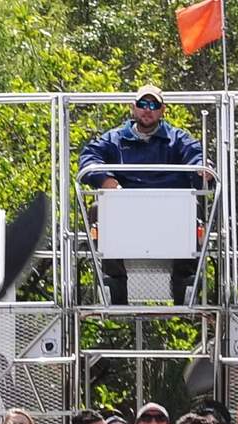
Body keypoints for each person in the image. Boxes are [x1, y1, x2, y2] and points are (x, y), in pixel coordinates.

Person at [78, 85, 207, 305]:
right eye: (143, 104)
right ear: (133, 108)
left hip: (171, 211)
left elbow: (196, 155)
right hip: (124, 208)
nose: (148, 110)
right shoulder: (114, 139)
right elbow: (88, 158)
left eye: (154, 105)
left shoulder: (177, 139)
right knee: (98, 210)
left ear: (162, 109)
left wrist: (201, 168)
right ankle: (114, 284)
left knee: (194, 211)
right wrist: (106, 180)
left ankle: (184, 285)